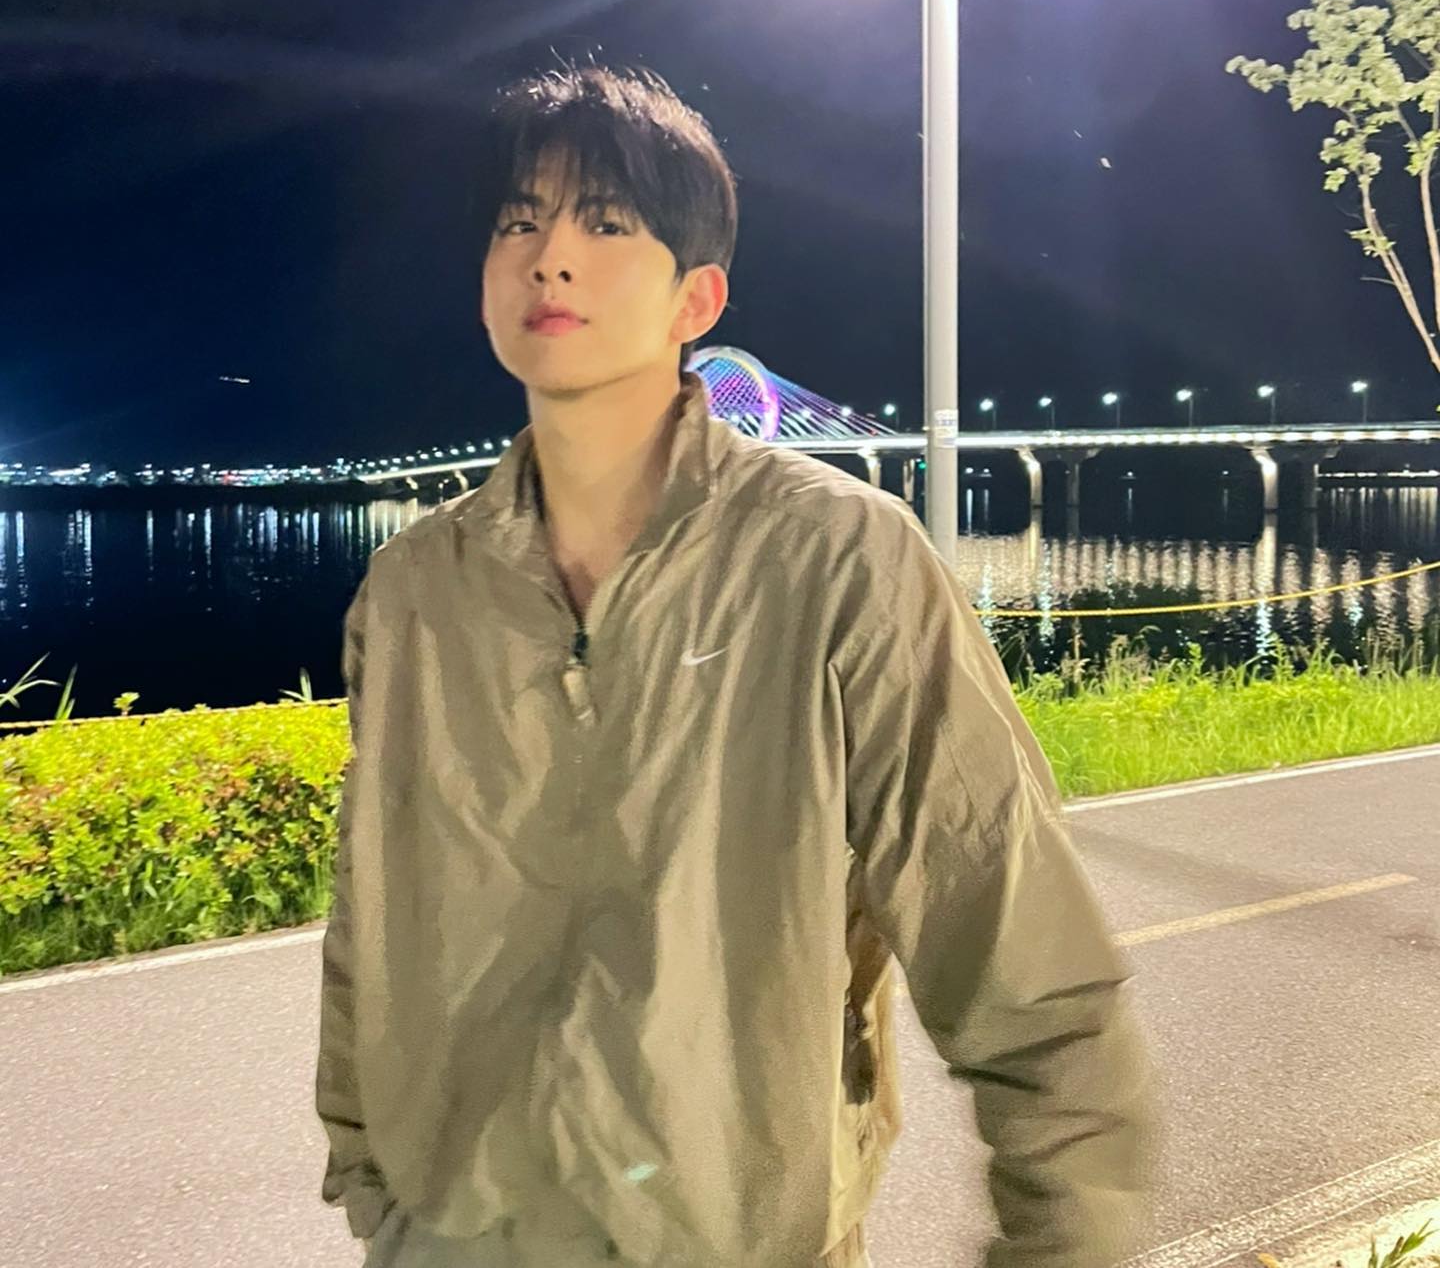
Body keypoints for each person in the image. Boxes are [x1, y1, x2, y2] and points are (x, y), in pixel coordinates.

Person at [314, 63, 1163, 1267]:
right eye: (519, 220)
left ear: (696, 298)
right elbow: (375, 913)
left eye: (607, 223)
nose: (550, 258)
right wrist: (376, 1184)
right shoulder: (416, 589)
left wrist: (1069, 1239)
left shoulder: (841, 559)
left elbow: (1017, 939)